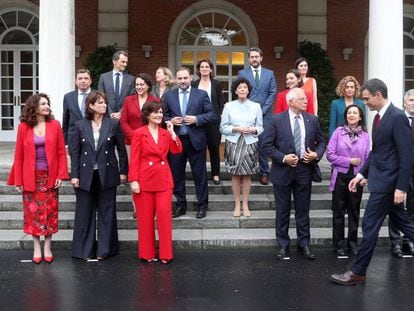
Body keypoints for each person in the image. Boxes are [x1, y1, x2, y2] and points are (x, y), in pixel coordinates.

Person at [330, 78, 414, 285]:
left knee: (369, 225)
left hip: (388, 184)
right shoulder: (378, 119)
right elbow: (376, 153)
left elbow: (407, 155)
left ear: (378, 95)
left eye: (366, 99)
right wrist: (360, 175)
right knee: (405, 223)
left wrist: (401, 187)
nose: (364, 103)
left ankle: (358, 271)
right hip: (381, 181)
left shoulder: (396, 117)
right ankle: (358, 271)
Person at [262, 87, 325, 260]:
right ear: (291, 102)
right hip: (283, 171)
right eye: (302, 99)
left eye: (306, 99)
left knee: (303, 210)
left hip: (304, 169)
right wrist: (283, 158)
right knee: (282, 210)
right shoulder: (276, 120)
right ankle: (283, 245)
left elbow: (321, 142)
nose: (306, 101)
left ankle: (304, 244)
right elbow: (266, 146)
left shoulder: (312, 119)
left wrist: (316, 155)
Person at [7, 93, 68, 263]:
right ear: (34, 107)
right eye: (43, 104)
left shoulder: (55, 125)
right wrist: (18, 179)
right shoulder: (23, 127)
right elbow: (18, 155)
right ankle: (36, 248)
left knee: (50, 213)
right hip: (30, 177)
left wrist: (61, 174)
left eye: (48, 103)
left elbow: (61, 152)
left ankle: (47, 247)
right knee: (33, 213)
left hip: (49, 176)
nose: (47, 106)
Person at [70, 90, 128, 260]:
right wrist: (74, 175)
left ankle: (105, 250)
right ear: (91, 105)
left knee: (107, 212)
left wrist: (123, 171)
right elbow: (75, 152)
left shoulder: (113, 124)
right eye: (100, 103)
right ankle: (84, 250)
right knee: (84, 212)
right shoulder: (80, 125)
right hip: (85, 174)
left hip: (108, 173)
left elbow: (122, 151)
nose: (104, 105)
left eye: (105, 102)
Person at [129, 101, 182, 264]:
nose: (159, 115)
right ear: (147, 115)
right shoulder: (139, 133)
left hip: (163, 179)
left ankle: (166, 254)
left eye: (160, 112)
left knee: (164, 218)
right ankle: (147, 253)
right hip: (144, 179)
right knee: (145, 219)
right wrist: (133, 180)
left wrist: (173, 134)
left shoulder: (166, 133)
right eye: (155, 112)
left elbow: (177, 150)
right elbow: (134, 157)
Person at [163, 67, 216, 219]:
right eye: (179, 79)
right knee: (177, 175)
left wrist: (197, 119)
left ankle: (202, 206)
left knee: (200, 175)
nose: (182, 81)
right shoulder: (169, 96)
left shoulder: (201, 94)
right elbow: (162, 116)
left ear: (191, 78)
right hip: (176, 140)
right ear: (175, 80)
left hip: (196, 140)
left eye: (185, 78)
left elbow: (212, 115)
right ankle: (181, 205)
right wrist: (170, 120)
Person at [327, 105, 370, 256]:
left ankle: (352, 243)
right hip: (340, 176)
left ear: (360, 117)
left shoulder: (365, 135)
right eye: (349, 113)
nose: (352, 115)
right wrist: (348, 161)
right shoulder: (338, 133)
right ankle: (338, 244)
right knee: (338, 212)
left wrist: (365, 176)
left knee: (354, 211)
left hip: (357, 178)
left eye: (355, 113)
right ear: (346, 116)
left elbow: (368, 157)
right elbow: (330, 155)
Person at [220, 77, 263, 217]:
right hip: (234, 142)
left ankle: (245, 204)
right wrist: (236, 128)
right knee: (235, 174)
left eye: (245, 87)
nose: (242, 89)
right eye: (240, 88)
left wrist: (253, 130)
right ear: (236, 91)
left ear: (248, 90)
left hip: (249, 142)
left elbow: (260, 127)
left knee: (247, 174)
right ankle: (237, 204)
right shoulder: (229, 106)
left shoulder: (256, 106)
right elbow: (223, 128)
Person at [120, 73, 160, 218]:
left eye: (142, 84)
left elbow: (157, 120)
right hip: (132, 143)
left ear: (148, 85)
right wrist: (135, 136)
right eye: (137, 84)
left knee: (150, 173)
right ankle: (137, 208)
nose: (139, 87)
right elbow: (123, 121)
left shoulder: (154, 100)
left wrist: (146, 137)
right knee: (135, 174)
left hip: (151, 142)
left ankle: (152, 207)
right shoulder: (128, 100)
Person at [238, 47, 276, 185]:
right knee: (247, 142)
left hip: (265, 115)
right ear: (249, 59)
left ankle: (264, 172)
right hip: (247, 114)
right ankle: (246, 171)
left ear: (261, 58)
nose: (254, 59)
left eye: (256, 56)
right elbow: (240, 91)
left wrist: (263, 110)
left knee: (263, 143)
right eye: (252, 57)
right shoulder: (242, 73)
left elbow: (272, 93)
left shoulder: (269, 73)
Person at [387, 89, 414, 257]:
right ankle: (395, 242)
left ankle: (409, 240)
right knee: (396, 207)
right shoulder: (397, 119)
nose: (413, 103)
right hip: (398, 171)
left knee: (412, 208)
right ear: (404, 102)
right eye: (411, 100)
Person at [192, 59, 225, 185]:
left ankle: (215, 173)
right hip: (198, 120)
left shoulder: (216, 84)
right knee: (198, 148)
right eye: (202, 67)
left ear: (211, 70)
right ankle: (200, 174)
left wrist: (218, 117)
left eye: (207, 67)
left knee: (214, 148)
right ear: (199, 70)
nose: (204, 69)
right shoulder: (194, 84)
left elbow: (220, 102)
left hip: (213, 122)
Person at [98, 50, 135, 119]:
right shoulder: (104, 77)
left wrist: (120, 113)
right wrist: (110, 113)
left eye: (126, 62)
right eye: (123, 62)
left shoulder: (131, 79)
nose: (125, 64)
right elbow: (101, 96)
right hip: (107, 117)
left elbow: (131, 98)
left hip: (125, 117)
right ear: (114, 61)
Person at [62, 68, 93, 148]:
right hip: (73, 140)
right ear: (76, 81)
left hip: (93, 138)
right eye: (80, 78)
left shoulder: (97, 96)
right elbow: (65, 121)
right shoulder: (68, 97)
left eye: (86, 78)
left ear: (90, 81)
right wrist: (65, 143)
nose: (83, 81)